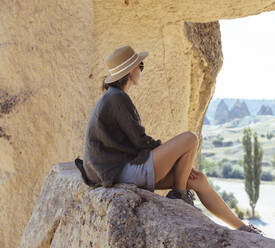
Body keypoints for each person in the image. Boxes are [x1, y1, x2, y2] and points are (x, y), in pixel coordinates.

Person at [75, 45, 262, 235]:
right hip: (119, 172)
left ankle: (243, 228)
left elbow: (133, 143)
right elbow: (141, 141)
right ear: (131, 71)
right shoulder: (117, 98)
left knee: (199, 180)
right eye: (140, 65)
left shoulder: (112, 97)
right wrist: (173, 157)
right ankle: (179, 197)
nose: (141, 69)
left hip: (119, 170)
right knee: (190, 138)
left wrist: (179, 164)